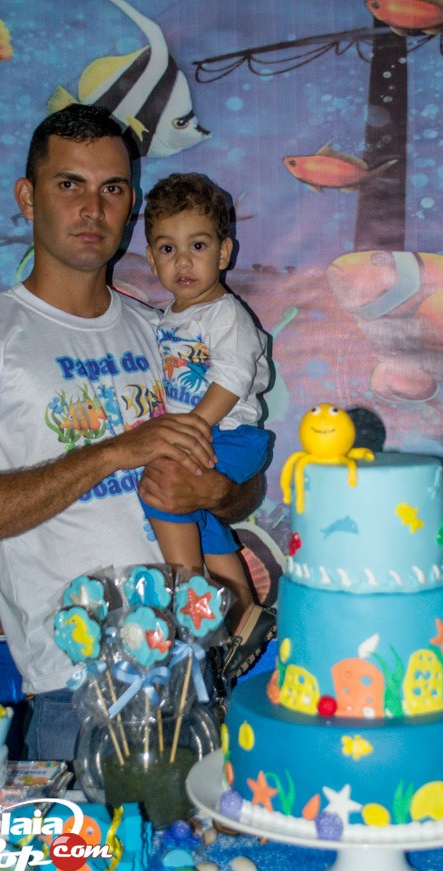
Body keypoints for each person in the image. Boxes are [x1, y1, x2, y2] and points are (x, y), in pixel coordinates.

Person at [0, 104, 263, 761]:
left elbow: (241, 490)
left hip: (196, 680)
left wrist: (215, 493)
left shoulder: (165, 329)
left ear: (131, 205)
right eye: (69, 184)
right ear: (27, 197)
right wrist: (114, 452)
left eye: (112, 188)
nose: (92, 208)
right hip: (79, 693)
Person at [142, 173, 276, 679]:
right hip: (206, 431)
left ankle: (188, 589)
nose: (183, 262)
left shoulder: (225, 315)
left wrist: (192, 427)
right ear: (151, 259)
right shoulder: (166, 319)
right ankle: (244, 612)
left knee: (162, 489)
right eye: (168, 249)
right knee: (197, 514)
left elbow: (233, 377)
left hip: (231, 435)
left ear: (224, 252)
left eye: (197, 246)